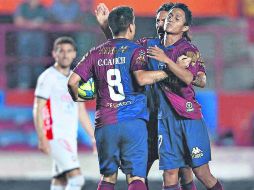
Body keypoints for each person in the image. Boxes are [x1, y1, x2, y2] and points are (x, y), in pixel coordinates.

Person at [94, 3, 206, 190]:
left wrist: (190, 73)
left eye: (166, 19)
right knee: (139, 173)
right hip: (148, 121)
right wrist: (107, 26)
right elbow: (122, 46)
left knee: (184, 172)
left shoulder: (187, 50)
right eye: (158, 20)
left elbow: (200, 79)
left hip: (174, 121)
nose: (161, 23)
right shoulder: (147, 46)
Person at [68, 6, 171, 190]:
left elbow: (72, 82)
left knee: (108, 178)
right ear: (131, 26)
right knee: (136, 178)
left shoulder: (95, 53)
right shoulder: (138, 50)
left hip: (105, 124)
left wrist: (80, 97)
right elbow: (141, 77)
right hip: (133, 123)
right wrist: (168, 72)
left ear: (112, 27)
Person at [147, 3, 223, 190]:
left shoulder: (188, 50)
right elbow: (121, 42)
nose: (170, 19)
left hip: (188, 119)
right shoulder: (151, 46)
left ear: (185, 27)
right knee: (170, 173)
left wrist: (166, 62)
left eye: (176, 17)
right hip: (165, 120)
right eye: (169, 16)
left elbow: (191, 78)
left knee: (201, 173)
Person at [33, 36, 95, 190]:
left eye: (69, 51)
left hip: (69, 137)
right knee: (77, 179)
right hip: (54, 136)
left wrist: (93, 136)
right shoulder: (47, 78)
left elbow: (80, 111)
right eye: (61, 51)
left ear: (74, 54)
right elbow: (37, 109)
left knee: (60, 180)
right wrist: (42, 138)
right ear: (54, 54)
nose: (65, 55)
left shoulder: (75, 78)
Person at [14, 0, 48, 88]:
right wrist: (34, 24)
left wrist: (27, 23)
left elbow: (47, 25)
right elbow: (18, 22)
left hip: (39, 40)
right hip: (24, 39)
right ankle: (23, 84)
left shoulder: (42, 8)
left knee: (39, 62)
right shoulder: (22, 7)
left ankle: (40, 85)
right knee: (24, 61)